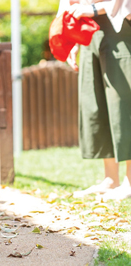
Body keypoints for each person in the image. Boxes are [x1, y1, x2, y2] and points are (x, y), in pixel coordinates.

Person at [58, 0, 131, 200]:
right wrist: (71, 38)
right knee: (97, 102)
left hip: (121, 24)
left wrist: (93, 9)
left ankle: (130, 180)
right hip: (88, 27)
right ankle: (110, 179)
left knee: (123, 101)